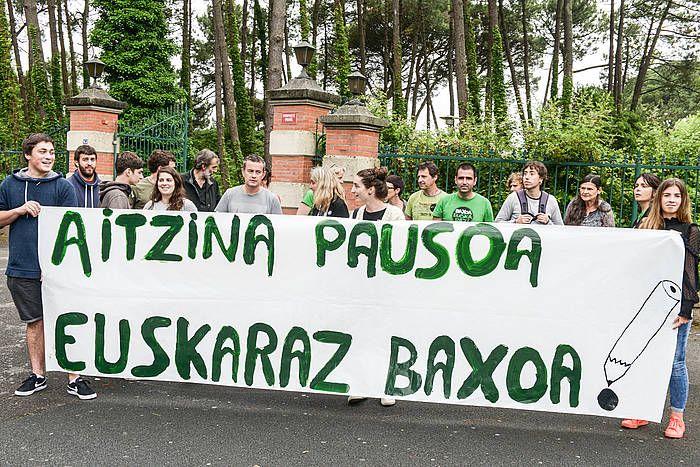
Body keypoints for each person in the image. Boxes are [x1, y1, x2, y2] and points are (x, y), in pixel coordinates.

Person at [0, 133, 96, 400]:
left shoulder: (62, 187)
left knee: (68, 320)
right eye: (43, 151)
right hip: (22, 267)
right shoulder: (9, 184)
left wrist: (57, 265)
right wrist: (18, 210)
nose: (48, 156)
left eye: (52, 152)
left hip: (57, 270)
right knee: (35, 323)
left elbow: (71, 227)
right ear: (28, 155)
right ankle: (38, 375)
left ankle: (75, 377)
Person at [620, 178, 699, 439]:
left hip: (676, 306)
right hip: (647, 303)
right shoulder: (645, 226)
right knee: (644, 357)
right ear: (659, 198)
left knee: (675, 361)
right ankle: (643, 410)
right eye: (667, 195)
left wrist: (687, 310)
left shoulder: (691, 231)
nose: (672, 199)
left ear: (683, 200)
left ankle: (677, 417)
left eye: (677, 195)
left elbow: (690, 274)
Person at [495, 160, 563, 225]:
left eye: (532, 174)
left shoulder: (551, 200)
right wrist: (515, 222)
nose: (527, 177)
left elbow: (561, 230)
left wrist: (548, 222)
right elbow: (497, 223)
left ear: (541, 179)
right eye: (525, 174)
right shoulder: (513, 197)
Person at [215, 154, 282, 214]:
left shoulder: (272, 199)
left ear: (263, 174)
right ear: (243, 172)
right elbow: (217, 221)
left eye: (258, 172)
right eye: (250, 171)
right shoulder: (229, 195)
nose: (253, 175)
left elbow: (278, 225)